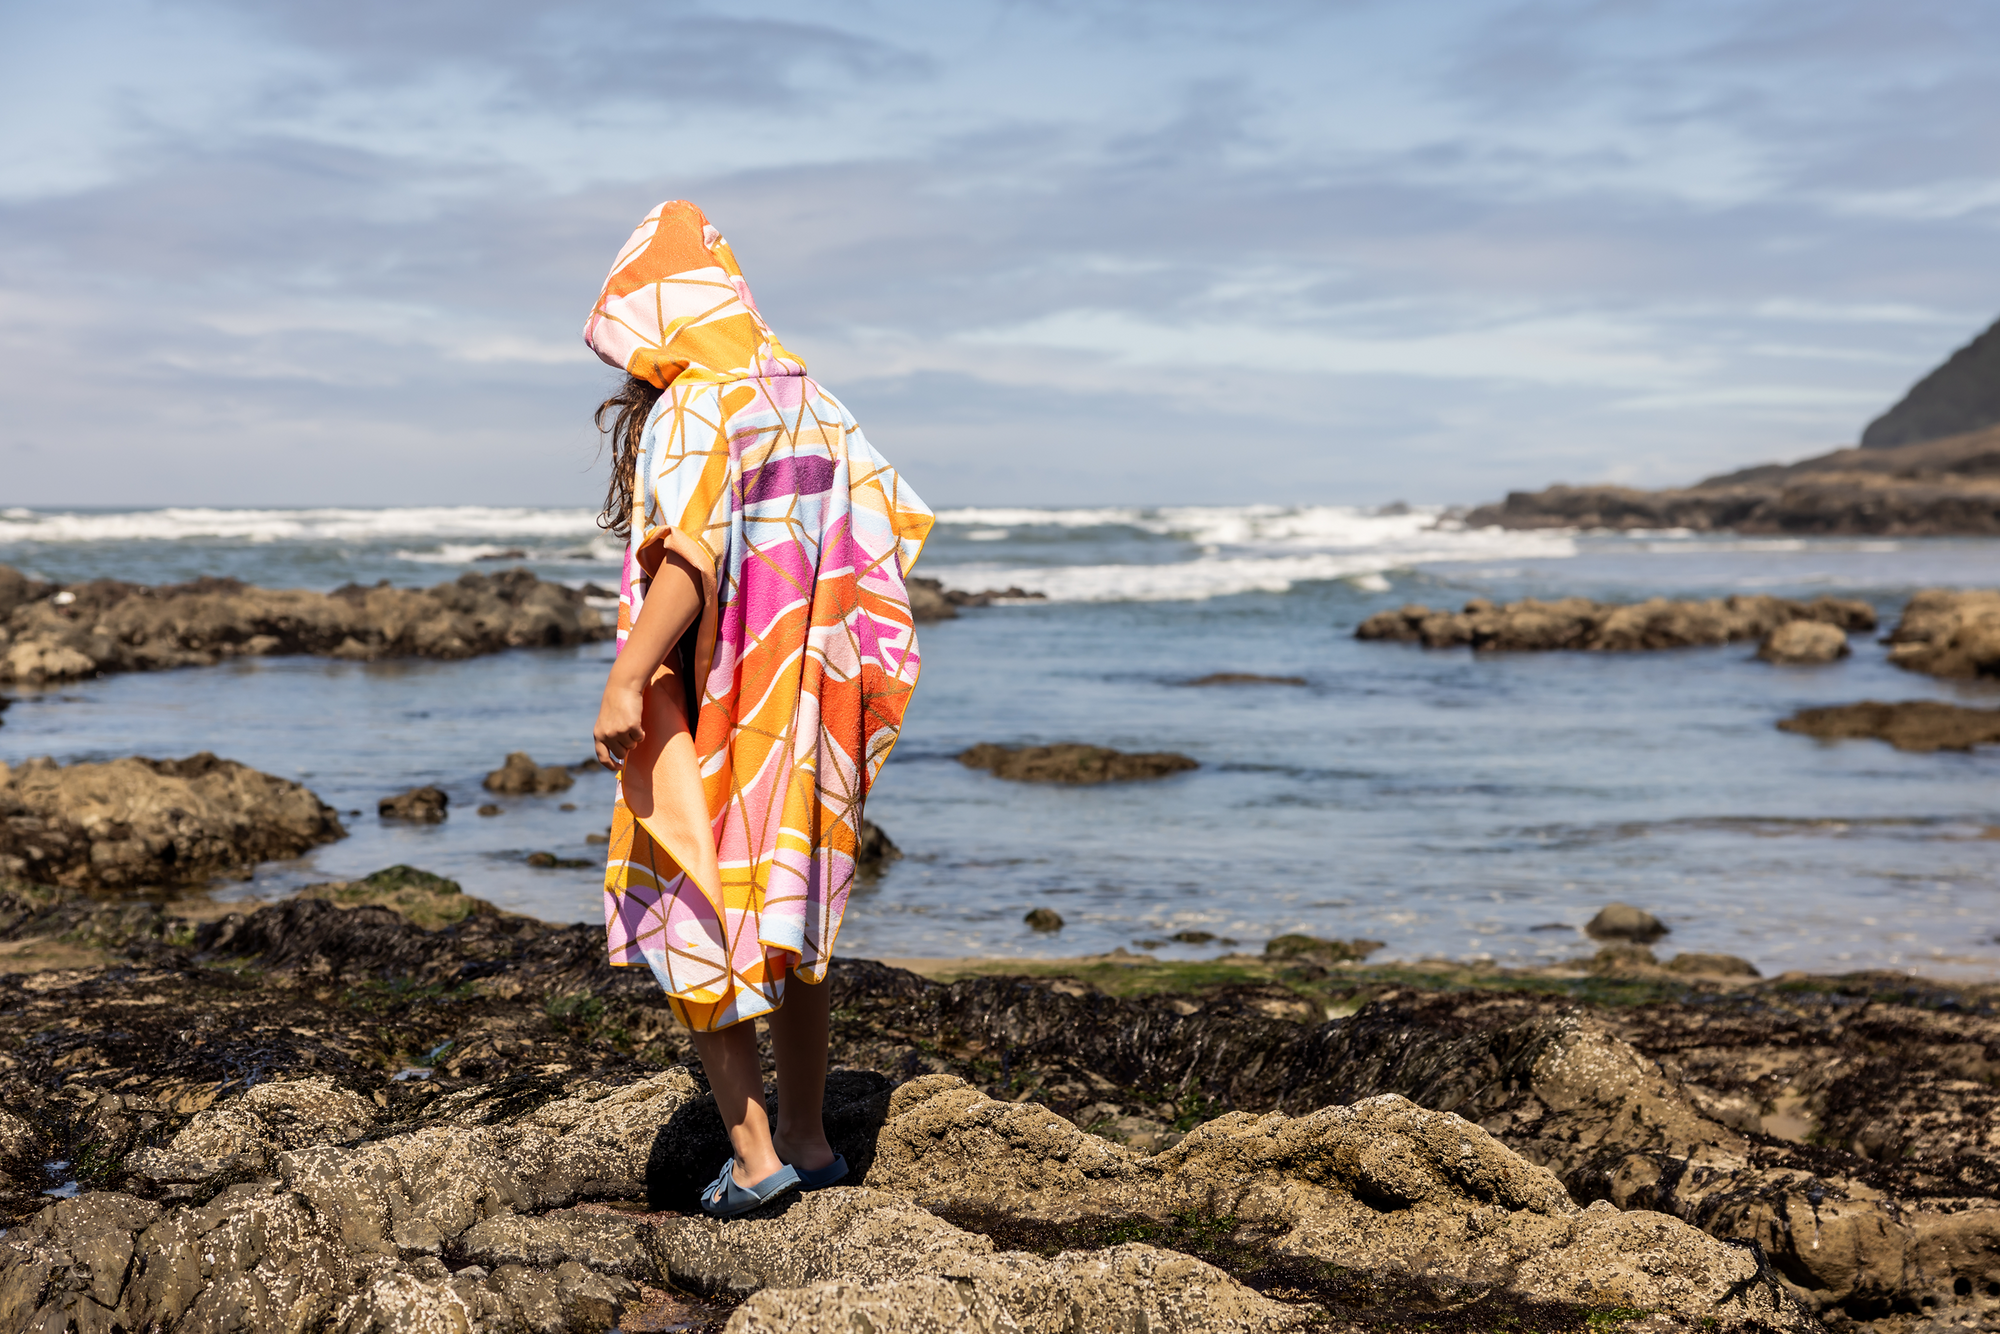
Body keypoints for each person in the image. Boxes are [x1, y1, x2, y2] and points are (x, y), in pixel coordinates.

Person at [582, 201, 932, 1217]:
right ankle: (814, 1139)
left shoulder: (701, 402)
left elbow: (691, 556)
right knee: (791, 917)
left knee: (689, 897)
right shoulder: (813, 398)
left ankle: (752, 1157)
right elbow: (881, 542)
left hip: (709, 697)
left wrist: (625, 678)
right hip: (810, 702)